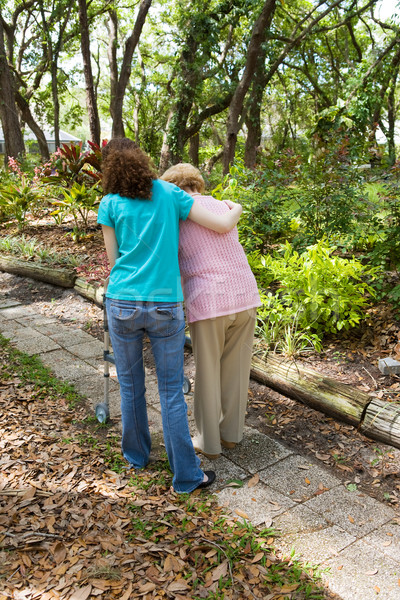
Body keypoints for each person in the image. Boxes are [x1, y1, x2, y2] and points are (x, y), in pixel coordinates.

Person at [97, 139, 242, 493]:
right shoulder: (170, 194)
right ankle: (187, 477)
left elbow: (114, 262)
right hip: (165, 305)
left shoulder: (109, 204)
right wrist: (235, 208)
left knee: (130, 386)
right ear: (144, 162)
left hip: (123, 303)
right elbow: (220, 224)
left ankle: (136, 456)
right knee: (171, 392)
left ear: (110, 170)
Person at [161, 163, 261, 459]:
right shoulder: (222, 206)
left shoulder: (177, 212)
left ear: (171, 188)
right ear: (197, 184)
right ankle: (231, 435)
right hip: (244, 294)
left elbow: (176, 259)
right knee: (237, 370)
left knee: (208, 371)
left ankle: (209, 442)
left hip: (209, 299)